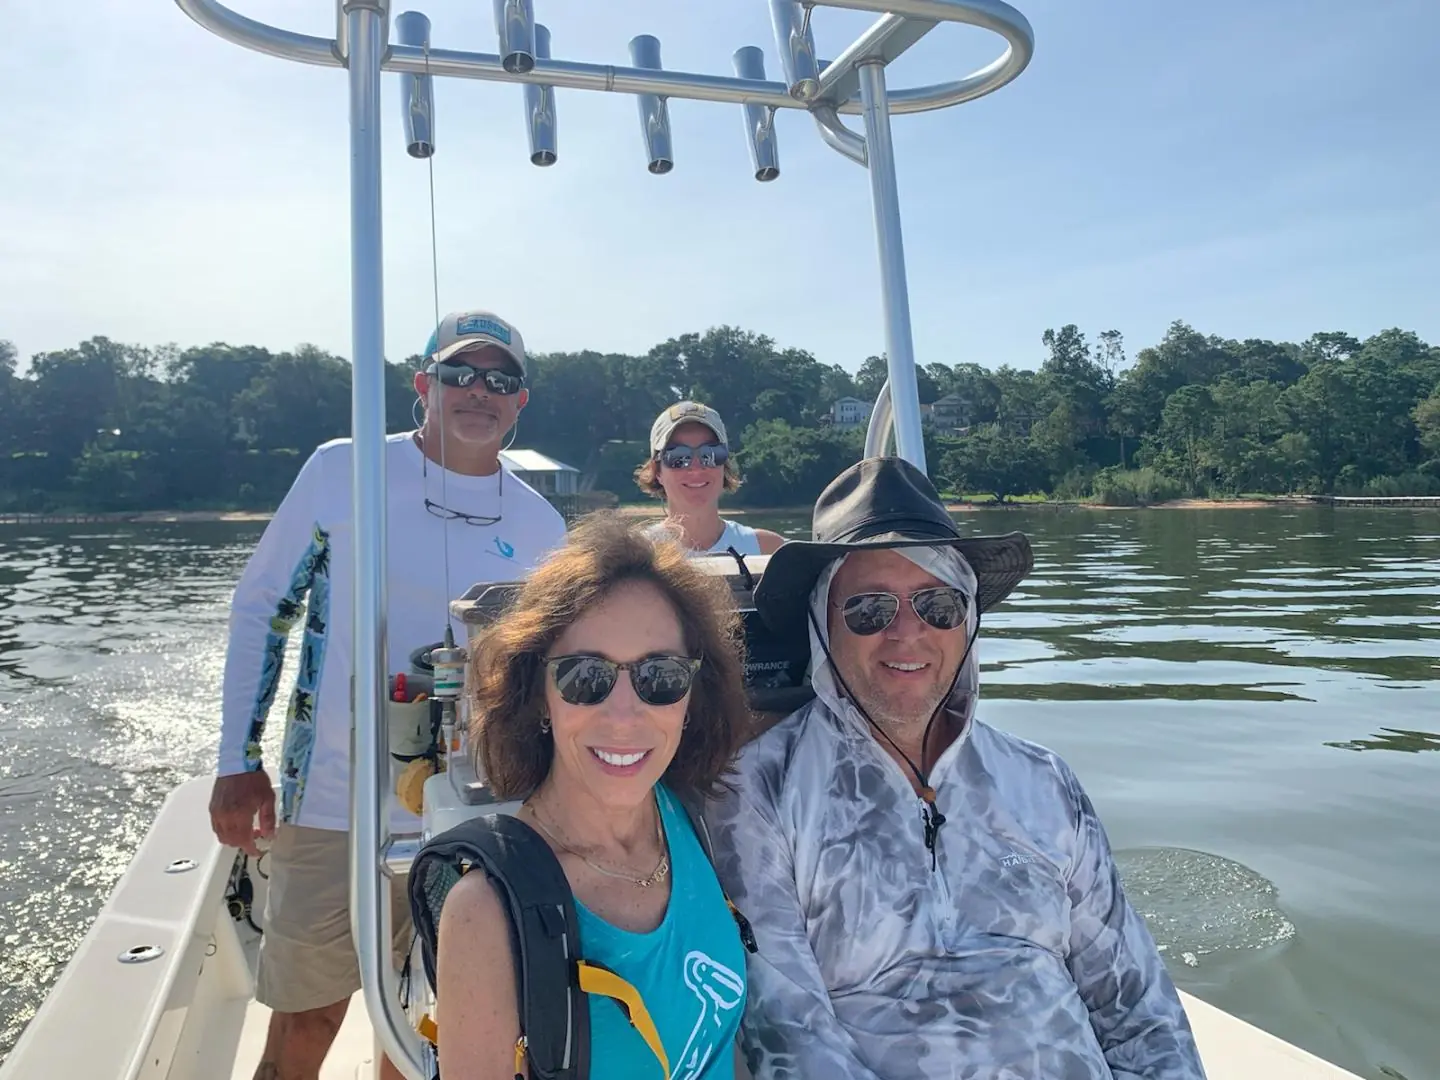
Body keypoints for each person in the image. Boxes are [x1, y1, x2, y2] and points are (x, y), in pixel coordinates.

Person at [708, 457, 1207, 1079]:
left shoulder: (1044, 782)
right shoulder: (757, 794)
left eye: (938, 604)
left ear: (967, 619)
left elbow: (1138, 1007)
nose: (908, 632)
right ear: (822, 625)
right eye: (868, 610)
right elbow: (789, 1033)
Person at [208, 309, 568, 1080]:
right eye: (459, 372)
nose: (479, 390)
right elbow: (263, 610)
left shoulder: (542, 523)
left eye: (500, 378)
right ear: (422, 384)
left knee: (424, 1026)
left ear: (521, 402)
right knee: (307, 1021)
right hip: (335, 802)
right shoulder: (344, 471)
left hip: (476, 807)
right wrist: (237, 760)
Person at [434, 513, 754, 1079]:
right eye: (586, 677)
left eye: (661, 676)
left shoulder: (691, 820)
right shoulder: (485, 915)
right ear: (538, 697)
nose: (625, 715)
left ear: (692, 696)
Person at [636, 401, 785, 557]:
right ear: (657, 471)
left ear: (724, 465)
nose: (696, 467)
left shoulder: (769, 550)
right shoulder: (636, 554)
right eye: (678, 456)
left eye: (710, 454)